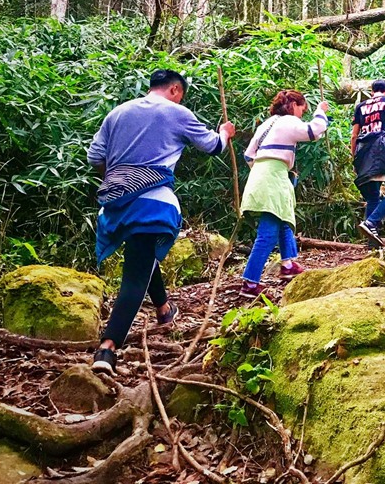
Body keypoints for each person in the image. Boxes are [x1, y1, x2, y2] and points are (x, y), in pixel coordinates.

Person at [86, 69, 236, 375]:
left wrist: (122, 182)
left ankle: (165, 310)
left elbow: (95, 157)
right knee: (134, 276)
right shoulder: (176, 112)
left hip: (116, 204)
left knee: (142, 258)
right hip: (153, 204)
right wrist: (225, 133)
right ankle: (108, 348)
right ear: (176, 90)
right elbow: (213, 147)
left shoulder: (117, 113)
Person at [239, 90, 329, 299]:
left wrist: (268, 167)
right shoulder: (288, 121)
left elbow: (248, 155)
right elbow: (313, 131)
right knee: (268, 233)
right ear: (293, 105)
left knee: (283, 219)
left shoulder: (267, 124)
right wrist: (320, 111)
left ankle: (288, 264)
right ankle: (250, 283)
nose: (301, 114)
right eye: (301, 109)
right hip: (272, 177)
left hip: (262, 175)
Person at [351, 79, 385, 247]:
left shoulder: (360, 106)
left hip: (364, 150)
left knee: (373, 196)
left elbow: (354, 135)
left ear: (372, 90)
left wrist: (355, 157)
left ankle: (371, 243)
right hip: (384, 147)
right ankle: (371, 222)